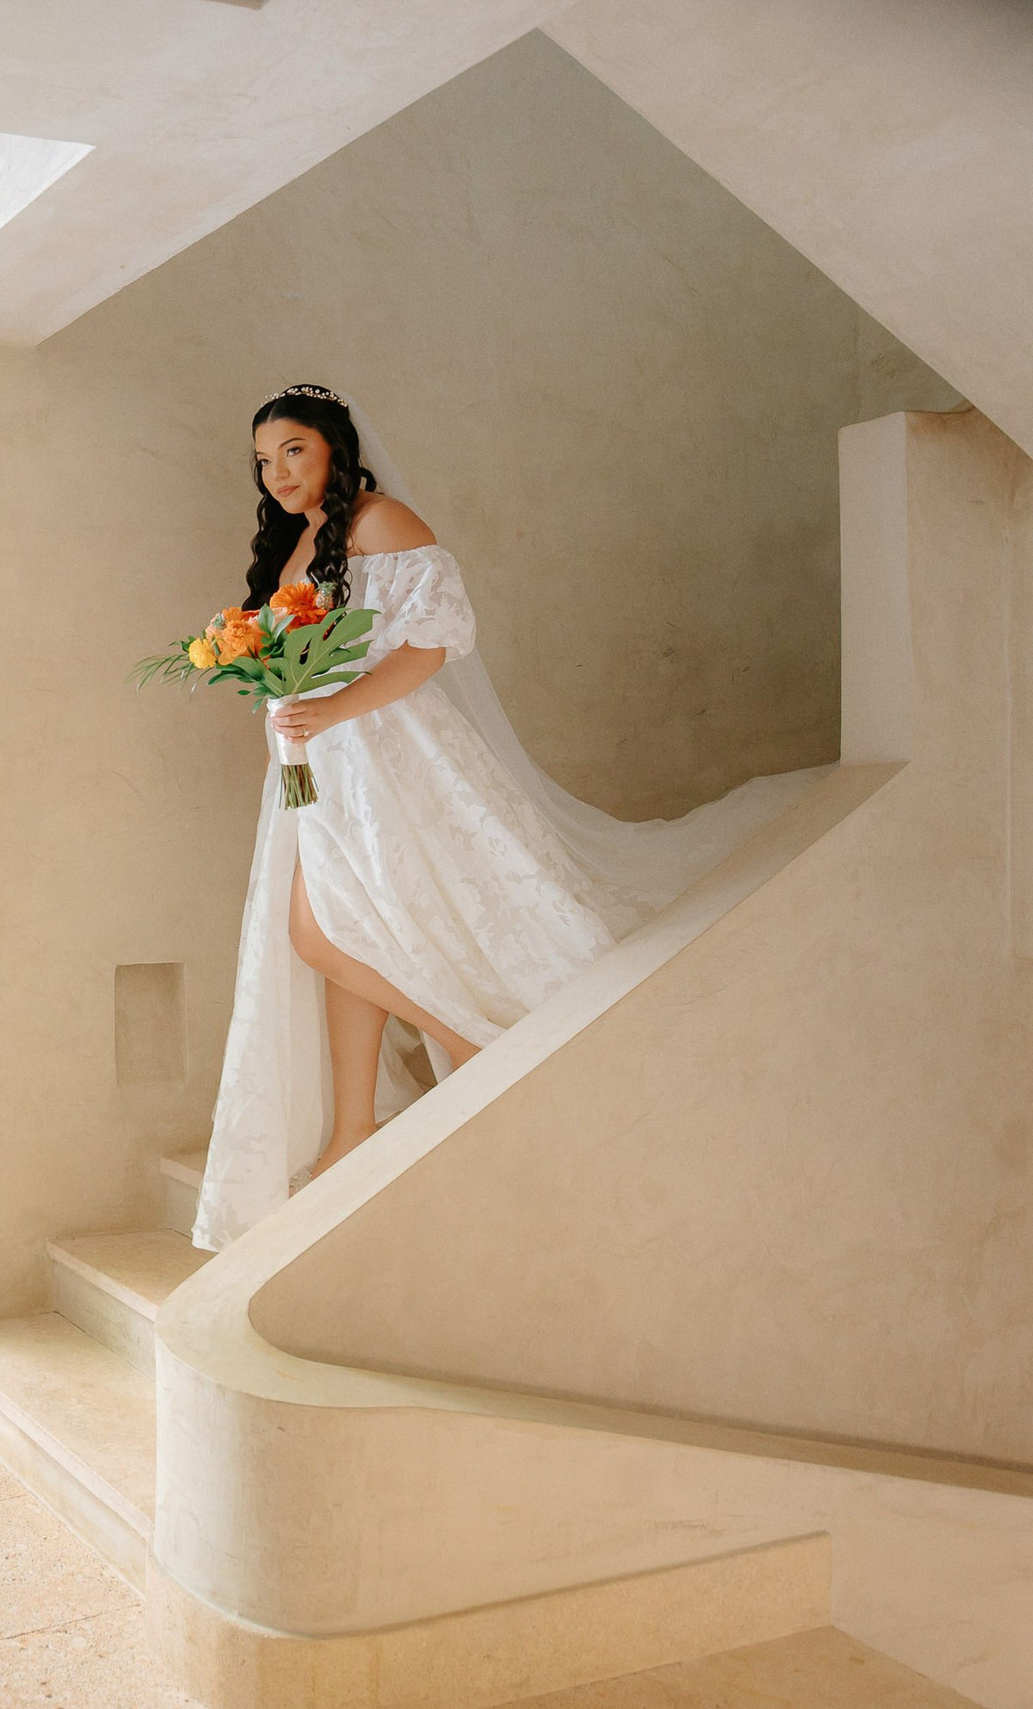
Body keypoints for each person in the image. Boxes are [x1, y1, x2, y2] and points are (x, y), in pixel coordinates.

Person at [190, 386, 818, 1252]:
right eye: (264, 459)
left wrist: (331, 715)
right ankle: (351, 1130)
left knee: (324, 934)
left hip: (386, 755)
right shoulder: (299, 541)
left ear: (334, 445)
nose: (278, 472)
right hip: (318, 765)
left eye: (294, 450)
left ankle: (470, 1046)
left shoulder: (379, 519)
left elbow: (432, 640)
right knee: (346, 931)